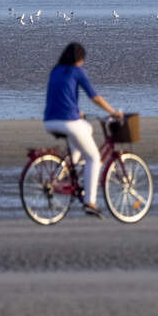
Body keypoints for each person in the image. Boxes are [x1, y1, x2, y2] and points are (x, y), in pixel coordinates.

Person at [43, 42, 122, 217]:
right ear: (79, 60)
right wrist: (113, 112)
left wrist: (78, 111)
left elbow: (61, 95)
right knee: (94, 157)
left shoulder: (55, 71)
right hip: (67, 122)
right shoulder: (77, 71)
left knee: (86, 128)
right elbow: (94, 97)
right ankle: (90, 202)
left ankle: (66, 168)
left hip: (49, 120)